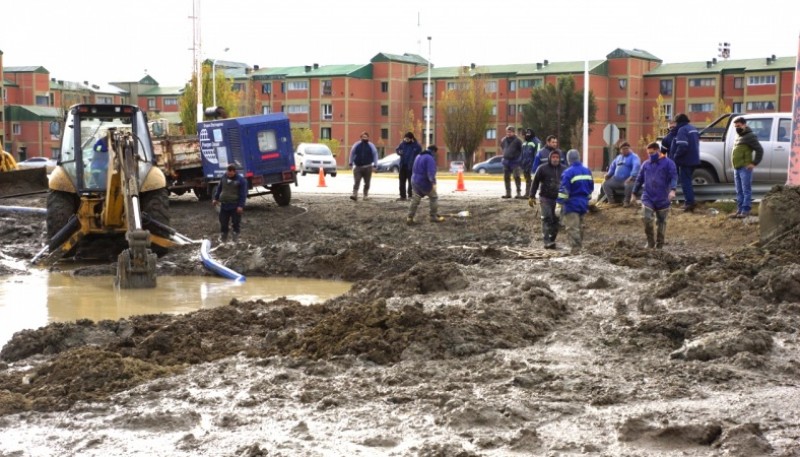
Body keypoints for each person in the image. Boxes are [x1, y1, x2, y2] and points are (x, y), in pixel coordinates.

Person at [631, 142, 678, 249]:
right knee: (646, 218)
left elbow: (673, 177)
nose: (650, 155)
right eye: (648, 153)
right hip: (648, 196)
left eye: (652, 153)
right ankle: (650, 242)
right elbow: (639, 179)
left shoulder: (669, 163)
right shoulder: (646, 164)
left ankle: (660, 244)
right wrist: (633, 193)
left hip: (663, 197)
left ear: (658, 151)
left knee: (661, 222)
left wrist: (673, 190)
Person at [558, 149, 594, 254]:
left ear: (569, 160)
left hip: (572, 203)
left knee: (572, 227)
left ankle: (576, 249)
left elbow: (564, 190)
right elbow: (590, 188)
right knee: (580, 225)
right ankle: (580, 246)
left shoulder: (568, 172)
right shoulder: (587, 171)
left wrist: (559, 202)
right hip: (583, 203)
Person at [529, 148, 566, 249]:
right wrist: (532, 195)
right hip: (545, 198)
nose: (555, 159)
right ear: (550, 158)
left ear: (560, 159)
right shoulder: (542, 168)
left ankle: (552, 239)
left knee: (556, 220)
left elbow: (569, 184)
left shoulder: (564, 169)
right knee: (546, 218)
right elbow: (535, 182)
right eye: (553, 157)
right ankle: (546, 241)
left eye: (557, 157)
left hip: (558, 200)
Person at [729, 117, 764, 218]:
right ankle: (739, 210)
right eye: (735, 126)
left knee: (746, 190)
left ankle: (745, 210)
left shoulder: (750, 136)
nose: (737, 128)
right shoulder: (738, 136)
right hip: (737, 167)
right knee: (739, 190)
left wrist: (754, 163)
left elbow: (759, 150)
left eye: (739, 126)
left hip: (745, 168)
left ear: (744, 125)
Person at [667, 113, 700, 212]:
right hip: (695, 158)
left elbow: (683, 146)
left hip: (686, 160)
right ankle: (690, 202)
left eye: (676, 122)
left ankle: (689, 203)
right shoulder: (692, 128)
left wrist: (676, 156)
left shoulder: (682, 130)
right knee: (688, 181)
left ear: (679, 122)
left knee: (685, 182)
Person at [406, 145, 445, 225]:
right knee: (434, 197)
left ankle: (409, 217)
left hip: (414, 180)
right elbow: (431, 173)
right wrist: (433, 183)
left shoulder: (418, 156)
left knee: (416, 199)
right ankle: (433, 216)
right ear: (434, 151)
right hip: (423, 182)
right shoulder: (430, 158)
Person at [212, 164, 248, 243]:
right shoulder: (224, 177)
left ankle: (235, 238)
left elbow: (243, 194)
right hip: (224, 205)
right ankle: (223, 238)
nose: (228, 174)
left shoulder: (241, 180)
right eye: (227, 172)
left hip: (235, 205)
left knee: (235, 222)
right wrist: (216, 198)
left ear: (234, 172)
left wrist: (240, 206)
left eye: (230, 173)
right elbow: (219, 188)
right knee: (223, 222)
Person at [601, 142, 641, 207]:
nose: (625, 150)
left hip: (629, 180)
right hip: (617, 180)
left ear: (629, 149)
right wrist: (608, 175)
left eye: (627, 148)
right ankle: (611, 201)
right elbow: (612, 167)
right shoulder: (618, 158)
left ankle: (626, 202)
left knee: (629, 185)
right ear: (620, 150)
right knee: (605, 184)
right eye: (623, 149)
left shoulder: (634, 157)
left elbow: (636, 166)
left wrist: (631, 177)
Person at [349, 131, 378, 201]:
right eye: (363, 137)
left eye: (366, 137)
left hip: (368, 167)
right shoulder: (356, 145)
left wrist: (375, 165)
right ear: (361, 137)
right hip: (358, 167)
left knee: (367, 182)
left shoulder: (371, 146)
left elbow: (375, 154)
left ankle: (365, 195)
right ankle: (355, 194)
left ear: (368, 137)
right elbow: (352, 154)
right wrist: (350, 163)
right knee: (357, 181)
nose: (365, 138)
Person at [395, 132, 422, 201]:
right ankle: (402, 196)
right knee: (401, 181)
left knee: (411, 182)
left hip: (411, 167)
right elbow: (397, 149)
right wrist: (399, 152)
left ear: (411, 139)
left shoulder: (416, 146)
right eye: (405, 139)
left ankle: (410, 195)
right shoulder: (403, 144)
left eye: (407, 139)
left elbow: (420, 154)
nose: (406, 140)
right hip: (403, 166)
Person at [500, 125, 524, 199]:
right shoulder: (503, 140)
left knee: (516, 177)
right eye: (507, 132)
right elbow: (502, 148)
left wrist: (519, 160)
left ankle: (518, 193)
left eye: (510, 132)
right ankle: (508, 193)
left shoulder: (518, 141)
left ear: (514, 132)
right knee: (506, 177)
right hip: (506, 161)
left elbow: (522, 151)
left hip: (515, 162)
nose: (508, 133)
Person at [520, 128, 543, 199]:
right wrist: (521, 162)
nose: (527, 135)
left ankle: (531, 194)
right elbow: (522, 154)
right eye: (526, 134)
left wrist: (535, 165)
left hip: (532, 164)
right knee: (527, 179)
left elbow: (538, 154)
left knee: (533, 180)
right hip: (525, 164)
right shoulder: (524, 142)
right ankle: (527, 193)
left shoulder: (537, 142)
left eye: (528, 134)